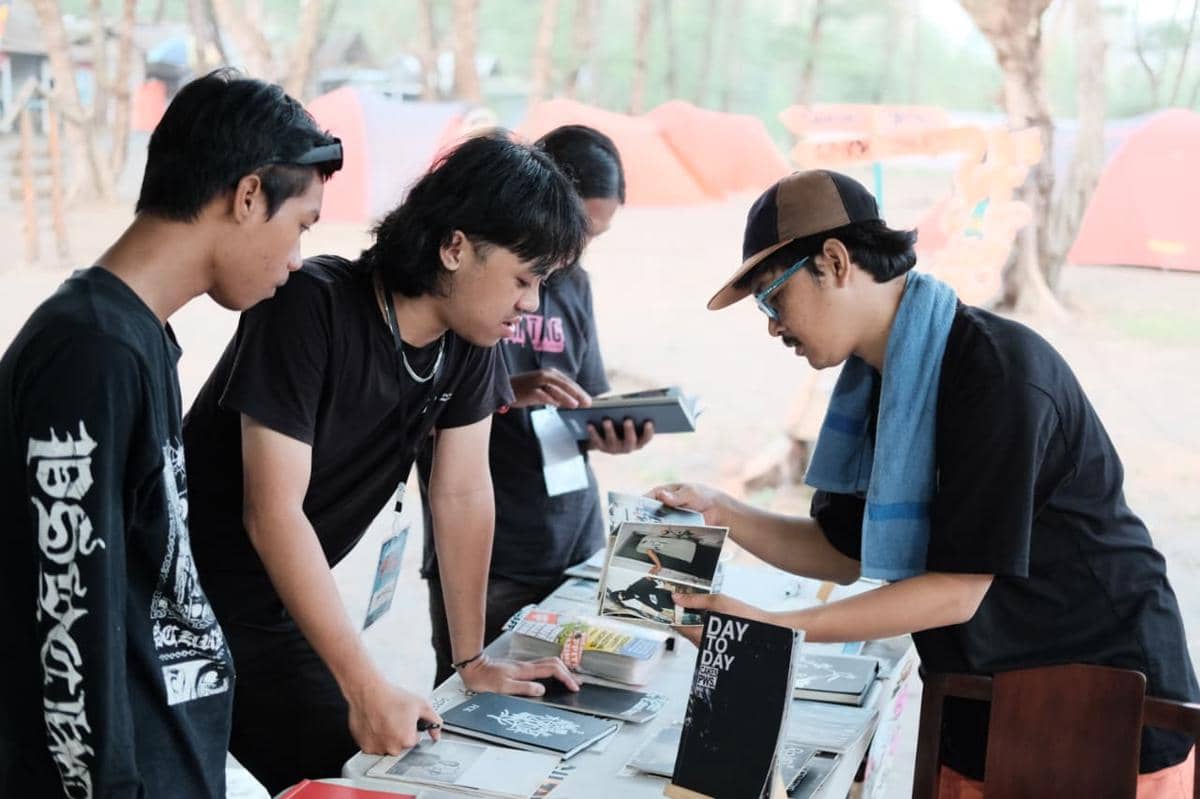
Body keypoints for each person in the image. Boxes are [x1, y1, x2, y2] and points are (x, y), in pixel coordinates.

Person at [653, 169, 1198, 796]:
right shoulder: (879, 382)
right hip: (984, 696)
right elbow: (842, 552)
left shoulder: (997, 376)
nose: (773, 325)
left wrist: (775, 627)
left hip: (1100, 701)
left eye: (772, 297)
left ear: (835, 262)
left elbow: (956, 591)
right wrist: (721, 511)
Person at [182, 132, 586, 794]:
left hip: (278, 606)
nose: (532, 303)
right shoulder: (309, 305)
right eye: (524, 277)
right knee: (352, 762)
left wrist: (470, 660)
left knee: (381, 766)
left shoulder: (469, 341)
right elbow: (271, 511)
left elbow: (462, 493)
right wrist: (365, 685)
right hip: (183, 599)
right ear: (455, 247)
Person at [0, 70, 340, 799]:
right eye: (301, 225)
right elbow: (69, 619)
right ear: (247, 196)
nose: (296, 260)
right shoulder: (90, 352)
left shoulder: (141, 336)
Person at [418, 125, 655, 685]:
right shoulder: (461, 295)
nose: (575, 252)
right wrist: (509, 389)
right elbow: (419, 408)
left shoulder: (576, 285)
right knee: (477, 697)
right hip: (493, 548)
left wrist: (608, 427)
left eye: (593, 236)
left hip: (574, 534)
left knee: (579, 690)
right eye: (577, 229)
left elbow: (584, 393)